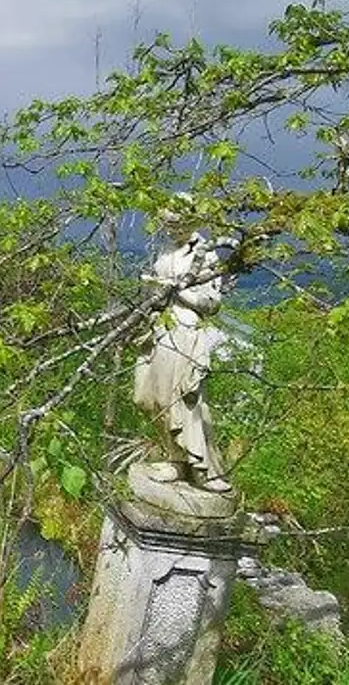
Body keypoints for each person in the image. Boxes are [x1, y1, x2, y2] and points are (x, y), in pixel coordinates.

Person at [132, 207, 234, 494]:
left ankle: (196, 466)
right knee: (146, 396)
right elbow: (155, 291)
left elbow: (212, 303)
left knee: (181, 399)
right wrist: (152, 292)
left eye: (177, 225)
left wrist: (178, 290)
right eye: (167, 225)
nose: (171, 230)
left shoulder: (205, 253)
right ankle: (174, 456)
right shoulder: (165, 251)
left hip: (184, 329)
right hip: (160, 327)